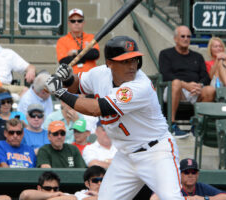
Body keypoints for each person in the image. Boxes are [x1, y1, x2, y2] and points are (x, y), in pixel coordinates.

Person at [45, 35, 185, 199]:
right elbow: (78, 85)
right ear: (109, 63)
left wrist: (60, 92)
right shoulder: (100, 74)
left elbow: (98, 108)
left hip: (156, 152)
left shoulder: (140, 86)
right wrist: (67, 79)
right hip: (125, 155)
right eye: (125, 61)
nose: (132, 66)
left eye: (134, 60)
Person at [158, 25, 215, 137]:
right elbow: (166, 74)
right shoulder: (165, 54)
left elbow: (206, 76)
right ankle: (171, 124)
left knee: (210, 90)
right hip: (175, 90)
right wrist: (185, 85)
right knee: (176, 83)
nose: (186, 39)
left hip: (194, 91)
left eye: (188, 36)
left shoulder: (197, 56)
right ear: (175, 39)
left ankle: (197, 125)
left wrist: (199, 85)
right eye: (182, 36)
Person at [56, 8, 100, 74]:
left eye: (79, 21)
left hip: (90, 75)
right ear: (69, 23)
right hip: (72, 76)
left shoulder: (91, 37)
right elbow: (64, 62)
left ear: (83, 23)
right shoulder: (62, 40)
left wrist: (75, 52)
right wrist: (85, 55)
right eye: (73, 21)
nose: (76, 23)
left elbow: (95, 54)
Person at [0, 26, 36, 95]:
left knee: (26, 91)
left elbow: (29, 67)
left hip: (5, 87)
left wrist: (31, 70)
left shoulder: (8, 53)